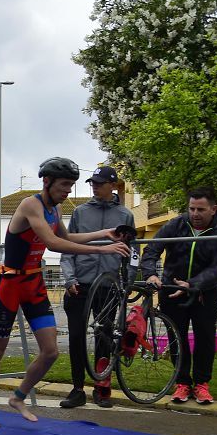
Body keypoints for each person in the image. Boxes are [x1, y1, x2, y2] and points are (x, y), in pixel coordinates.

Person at [0, 157, 130, 430]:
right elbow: (53, 243)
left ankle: (18, 396)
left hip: (33, 283)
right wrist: (102, 249)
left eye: (72, 185)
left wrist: (105, 233)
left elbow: (69, 238)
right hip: (11, 283)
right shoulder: (30, 205)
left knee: (50, 351)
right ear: (46, 182)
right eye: (64, 185)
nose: (68, 191)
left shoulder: (55, 208)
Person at [140, 186, 217, 405]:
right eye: (191, 208)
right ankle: (182, 382)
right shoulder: (176, 224)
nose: (195, 214)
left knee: (205, 339)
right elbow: (152, 249)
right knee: (177, 338)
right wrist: (151, 274)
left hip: (205, 293)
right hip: (172, 292)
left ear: (214, 209)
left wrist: (192, 284)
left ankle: (202, 384)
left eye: (201, 209)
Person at [58, 165, 136, 409]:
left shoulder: (126, 215)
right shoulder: (80, 212)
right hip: (80, 285)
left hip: (108, 287)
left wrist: (128, 280)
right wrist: (69, 279)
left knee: (105, 337)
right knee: (77, 337)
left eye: (100, 183)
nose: (95, 186)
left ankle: (102, 388)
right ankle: (77, 388)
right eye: (93, 182)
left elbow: (133, 252)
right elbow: (66, 245)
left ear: (113, 186)